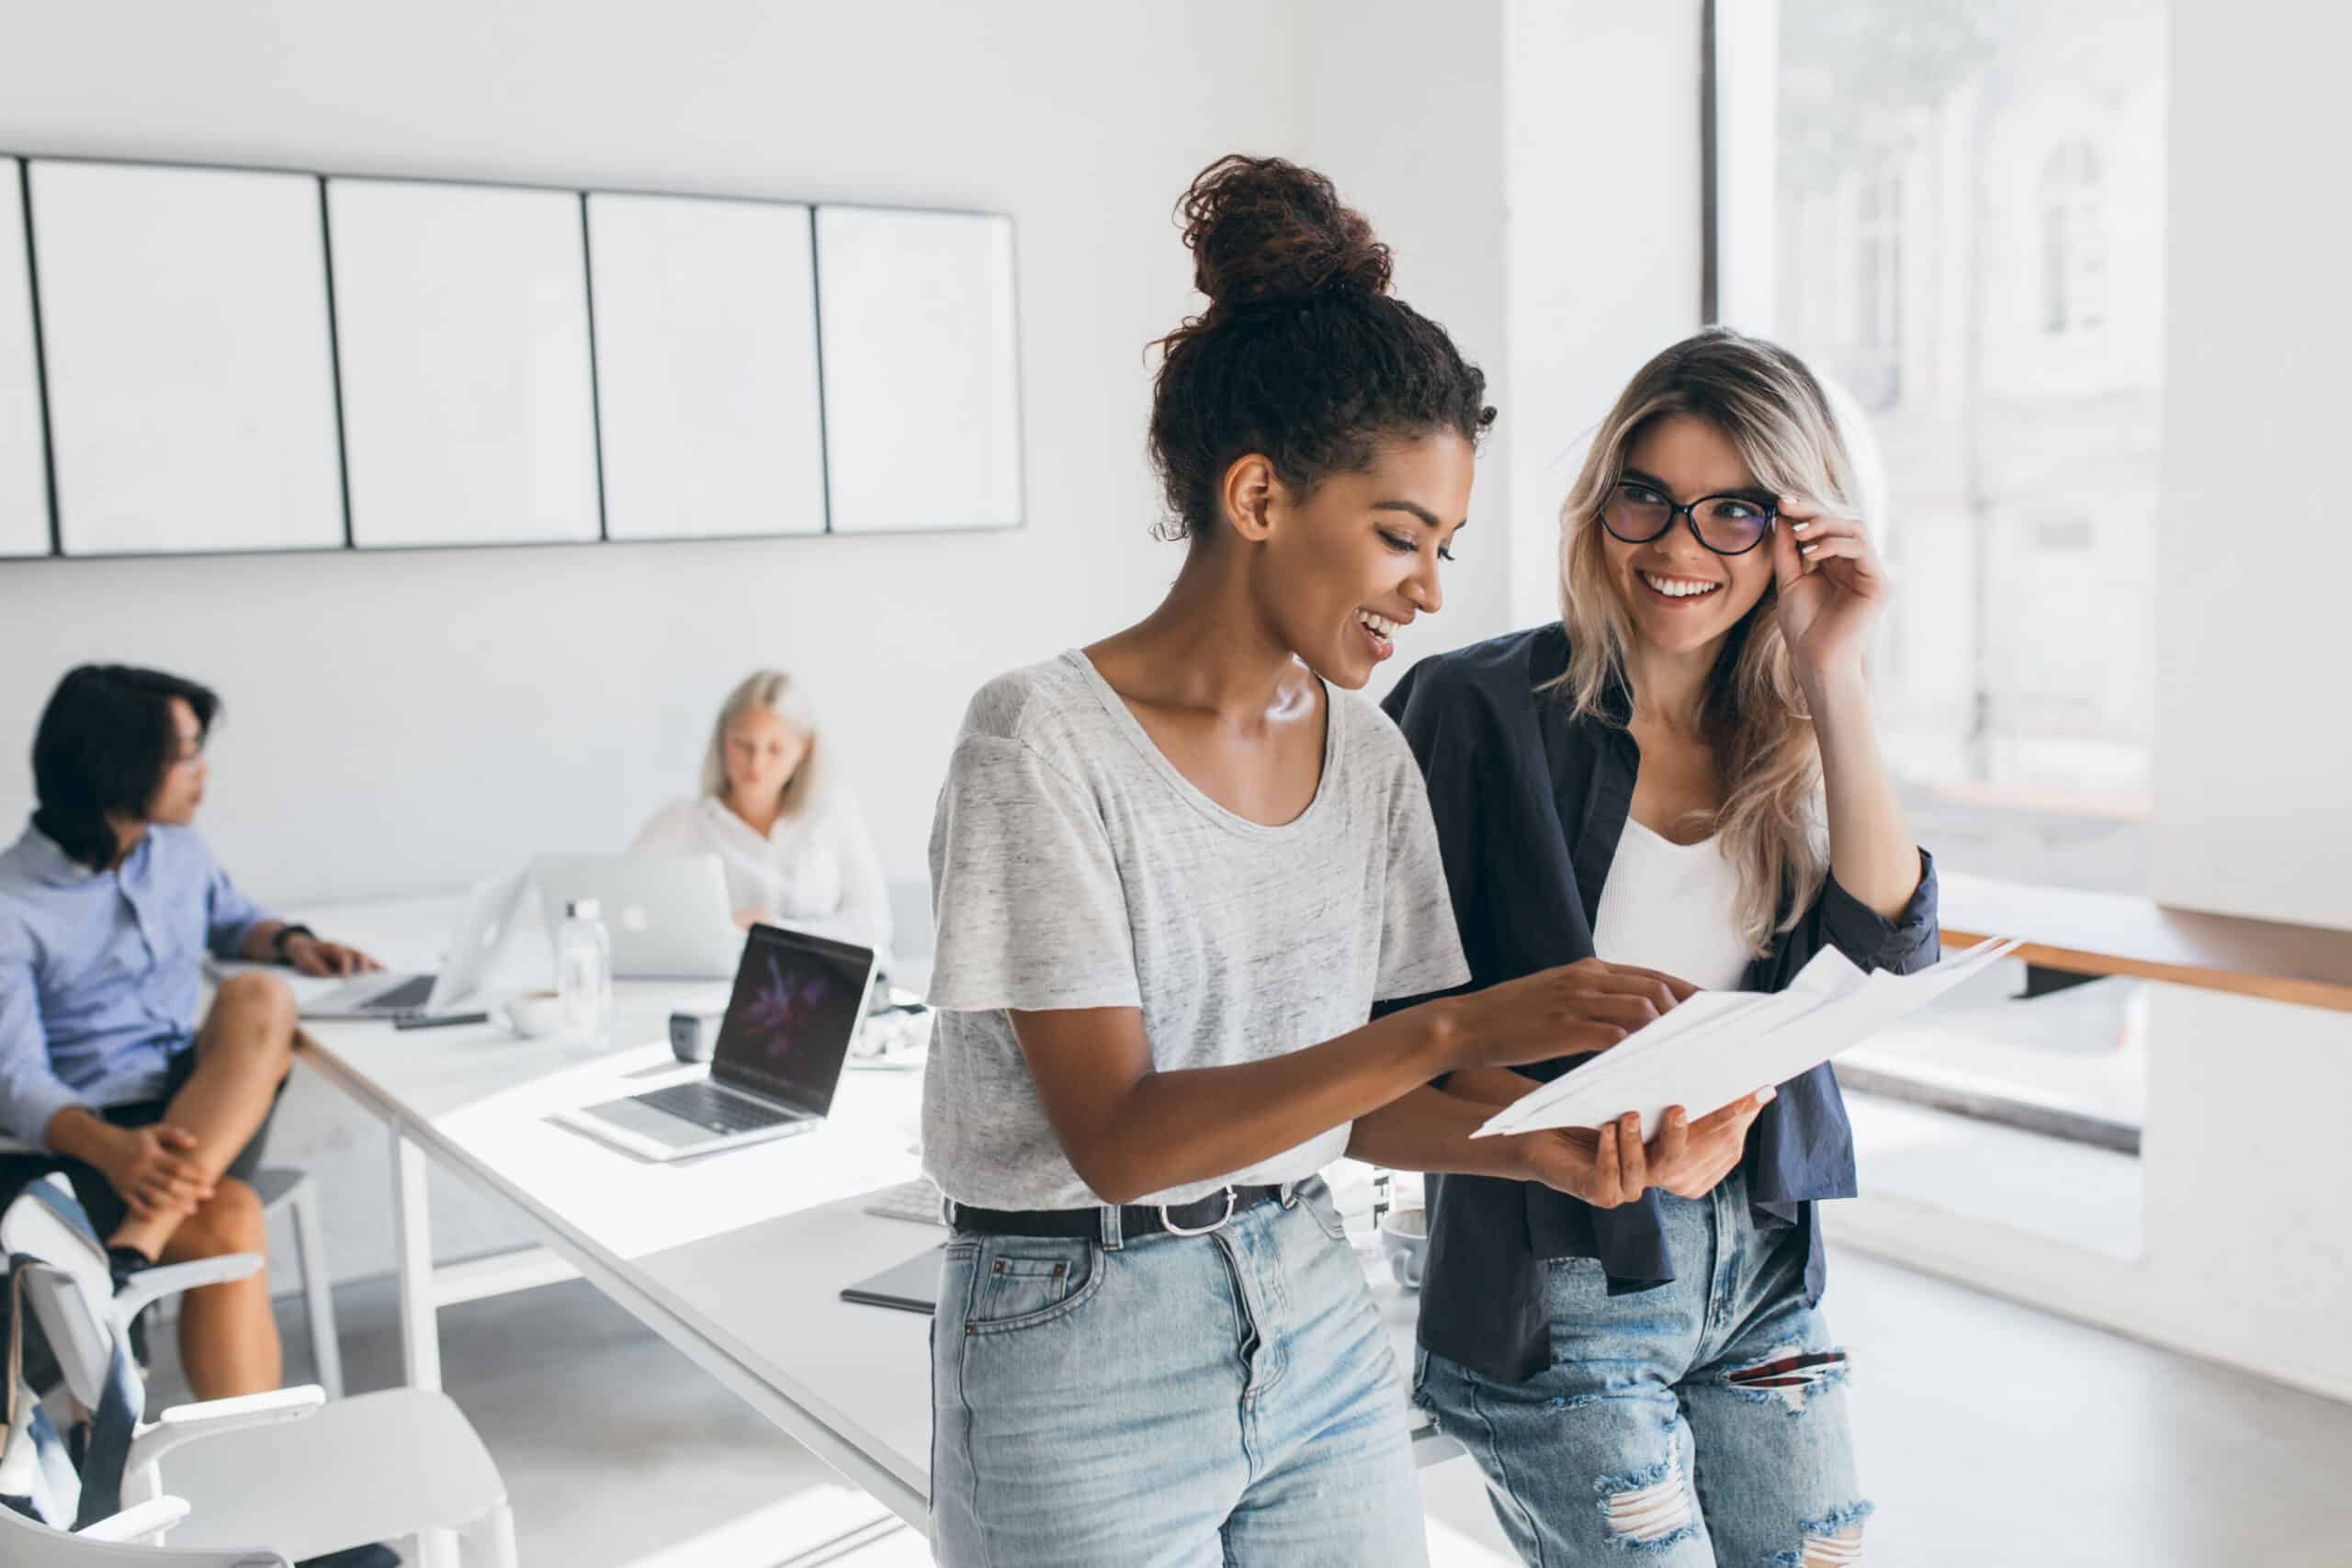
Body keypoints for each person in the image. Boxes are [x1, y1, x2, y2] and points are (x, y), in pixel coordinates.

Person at [919, 154, 1709, 1568]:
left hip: (1308, 1291)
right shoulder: (1040, 742)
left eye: (1447, 545)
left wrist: (1549, 1152)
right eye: (1401, 535)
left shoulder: (1369, 754)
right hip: (1073, 1333)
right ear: (1259, 495)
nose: (1430, 587)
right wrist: (1466, 1026)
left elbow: (1346, 1109)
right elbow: (1124, 1137)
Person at [1384, 328, 1940, 1566]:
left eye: (1734, 512)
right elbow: (1387, 1033)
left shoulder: (1793, 734)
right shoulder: (1472, 710)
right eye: (1648, 497)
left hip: (1761, 1274)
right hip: (1559, 1280)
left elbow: (1887, 959)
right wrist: (1572, 1138)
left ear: (1797, 536)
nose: (1679, 548)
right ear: (1602, 507)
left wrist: (1834, 671)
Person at [0, 665, 379, 1400]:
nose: (202, 773)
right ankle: (262, 1478)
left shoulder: (178, 852)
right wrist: (114, 1151)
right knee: (231, 1217)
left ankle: (131, 1250)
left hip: (194, 1115)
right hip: (79, 1141)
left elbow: (232, 920)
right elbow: (15, 1082)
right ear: (117, 763)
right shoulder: (10, 902)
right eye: (186, 754)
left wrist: (291, 940)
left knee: (260, 995)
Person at [631, 669, 892, 963]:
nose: (756, 763)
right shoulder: (680, 822)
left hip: (820, 990)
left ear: (803, 750)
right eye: (742, 745)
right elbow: (629, 916)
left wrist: (775, 933)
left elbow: (873, 927)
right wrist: (717, 930)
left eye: (775, 749)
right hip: (713, 993)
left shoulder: (834, 813)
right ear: (722, 740)